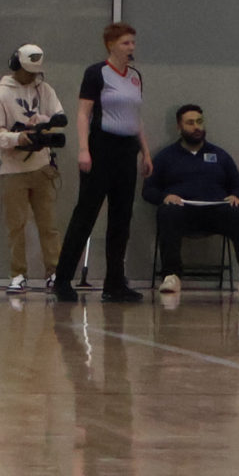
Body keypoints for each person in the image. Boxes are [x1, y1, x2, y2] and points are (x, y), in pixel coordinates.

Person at [53, 22, 153, 304]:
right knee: (85, 214)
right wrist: (84, 149)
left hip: (126, 150)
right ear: (111, 45)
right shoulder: (96, 73)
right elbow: (84, 113)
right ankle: (62, 279)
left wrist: (145, 152)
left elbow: (136, 117)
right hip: (102, 147)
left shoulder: (135, 76)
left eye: (133, 42)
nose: (131, 48)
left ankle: (115, 282)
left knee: (121, 219)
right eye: (125, 43)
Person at [144, 103, 239, 294]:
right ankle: (171, 276)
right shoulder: (166, 156)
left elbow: (237, 185)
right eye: (190, 123)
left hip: (215, 210)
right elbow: (148, 190)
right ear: (179, 127)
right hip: (182, 211)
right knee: (167, 213)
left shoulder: (220, 155)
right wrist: (165, 197)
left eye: (199, 122)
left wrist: (236, 196)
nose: (196, 127)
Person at [0, 42, 67, 295]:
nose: (32, 76)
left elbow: (58, 116)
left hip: (42, 166)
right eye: (27, 71)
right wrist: (17, 139)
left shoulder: (44, 89)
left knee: (49, 225)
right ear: (15, 65)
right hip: (13, 170)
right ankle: (18, 274)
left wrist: (44, 123)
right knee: (16, 226)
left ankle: (54, 273)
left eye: (35, 72)